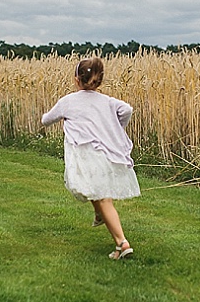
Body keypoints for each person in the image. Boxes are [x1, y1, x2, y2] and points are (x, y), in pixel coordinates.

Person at [41, 57, 141, 260]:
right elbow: (127, 110)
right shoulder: (107, 102)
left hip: (85, 157)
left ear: (77, 79)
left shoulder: (68, 101)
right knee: (98, 193)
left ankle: (122, 243)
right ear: (99, 81)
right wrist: (116, 127)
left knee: (102, 197)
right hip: (105, 154)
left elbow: (46, 120)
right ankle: (101, 218)